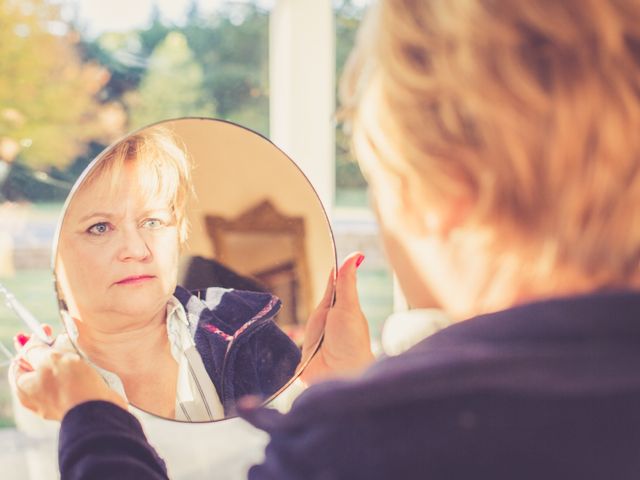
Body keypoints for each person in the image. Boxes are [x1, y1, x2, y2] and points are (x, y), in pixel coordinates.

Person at [12, 0, 640, 477]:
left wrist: (89, 416)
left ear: (450, 191)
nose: (135, 246)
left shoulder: (355, 446)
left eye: (379, 177)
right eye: (100, 226)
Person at [15, 126, 301, 422]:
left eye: (152, 222)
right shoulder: (41, 389)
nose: (137, 250)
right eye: (99, 227)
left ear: (179, 233)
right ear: (53, 254)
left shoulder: (249, 332)